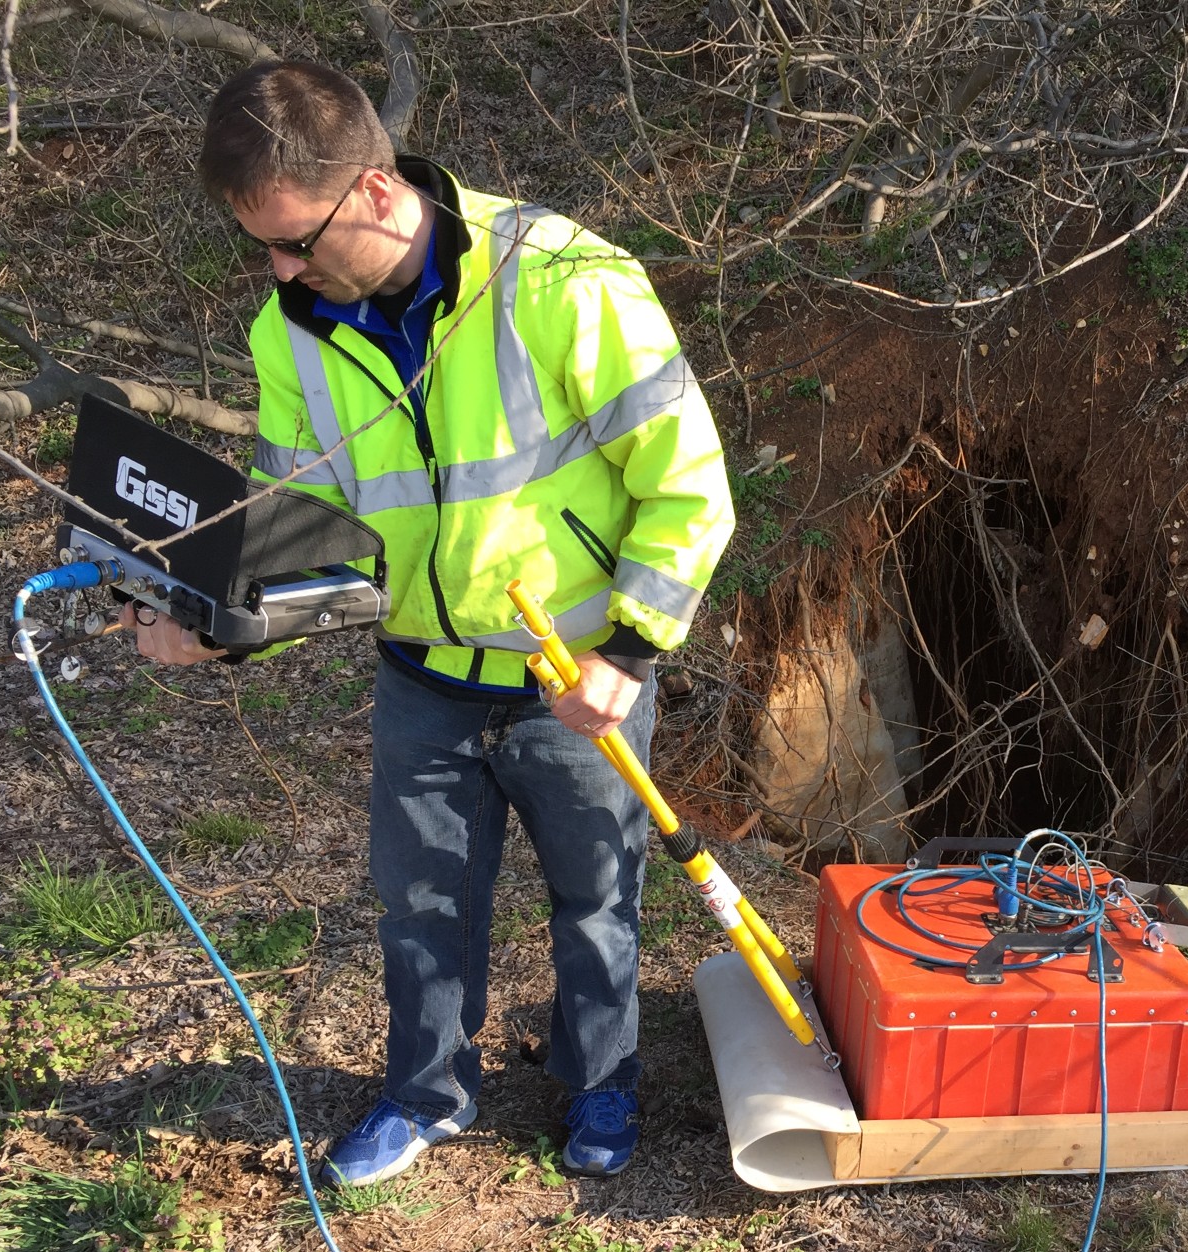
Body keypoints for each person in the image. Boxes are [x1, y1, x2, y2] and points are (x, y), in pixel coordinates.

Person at [125, 59, 734, 1185]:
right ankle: (427, 1094)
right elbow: (300, 518)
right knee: (421, 903)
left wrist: (630, 653)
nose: (277, 269)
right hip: (420, 676)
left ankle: (600, 1089)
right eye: (261, 244)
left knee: (597, 898)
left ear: (372, 190)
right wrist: (216, 620)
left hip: (573, 681)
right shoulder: (292, 329)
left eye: (296, 241)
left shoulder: (562, 279)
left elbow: (690, 484)